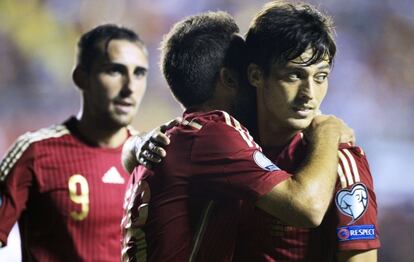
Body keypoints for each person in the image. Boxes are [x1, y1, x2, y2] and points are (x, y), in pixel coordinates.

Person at [121, 11, 354, 262]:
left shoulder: (175, 136)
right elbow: (307, 207)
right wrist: (327, 131)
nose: (255, 83)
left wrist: (134, 145)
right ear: (229, 78)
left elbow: (126, 158)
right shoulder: (216, 134)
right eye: (247, 72)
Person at [230, 1, 380, 262]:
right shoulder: (228, 145)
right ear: (256, 75)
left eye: (320, 77)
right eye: (294, 76)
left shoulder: (344, 161)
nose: (309, 94)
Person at [0, 24, 149, 261]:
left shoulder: (150, 160)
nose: (130, 87)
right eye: (114, 71)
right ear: (82, 78)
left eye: (139, 73)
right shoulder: (34, 153)